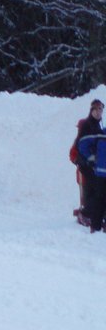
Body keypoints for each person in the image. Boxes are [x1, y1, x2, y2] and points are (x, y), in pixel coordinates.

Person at [72, 99, 105, 231]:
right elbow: (82, 145)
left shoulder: (98, 126)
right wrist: (91, 158)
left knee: (98, 192)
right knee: (98, 192)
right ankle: (85, 214)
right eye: (96, 109)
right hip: (86, 164)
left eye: (101, 110)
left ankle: (96, 215)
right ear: (91, 110)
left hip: (95, 165)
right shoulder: (87, 125)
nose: (98, 112)